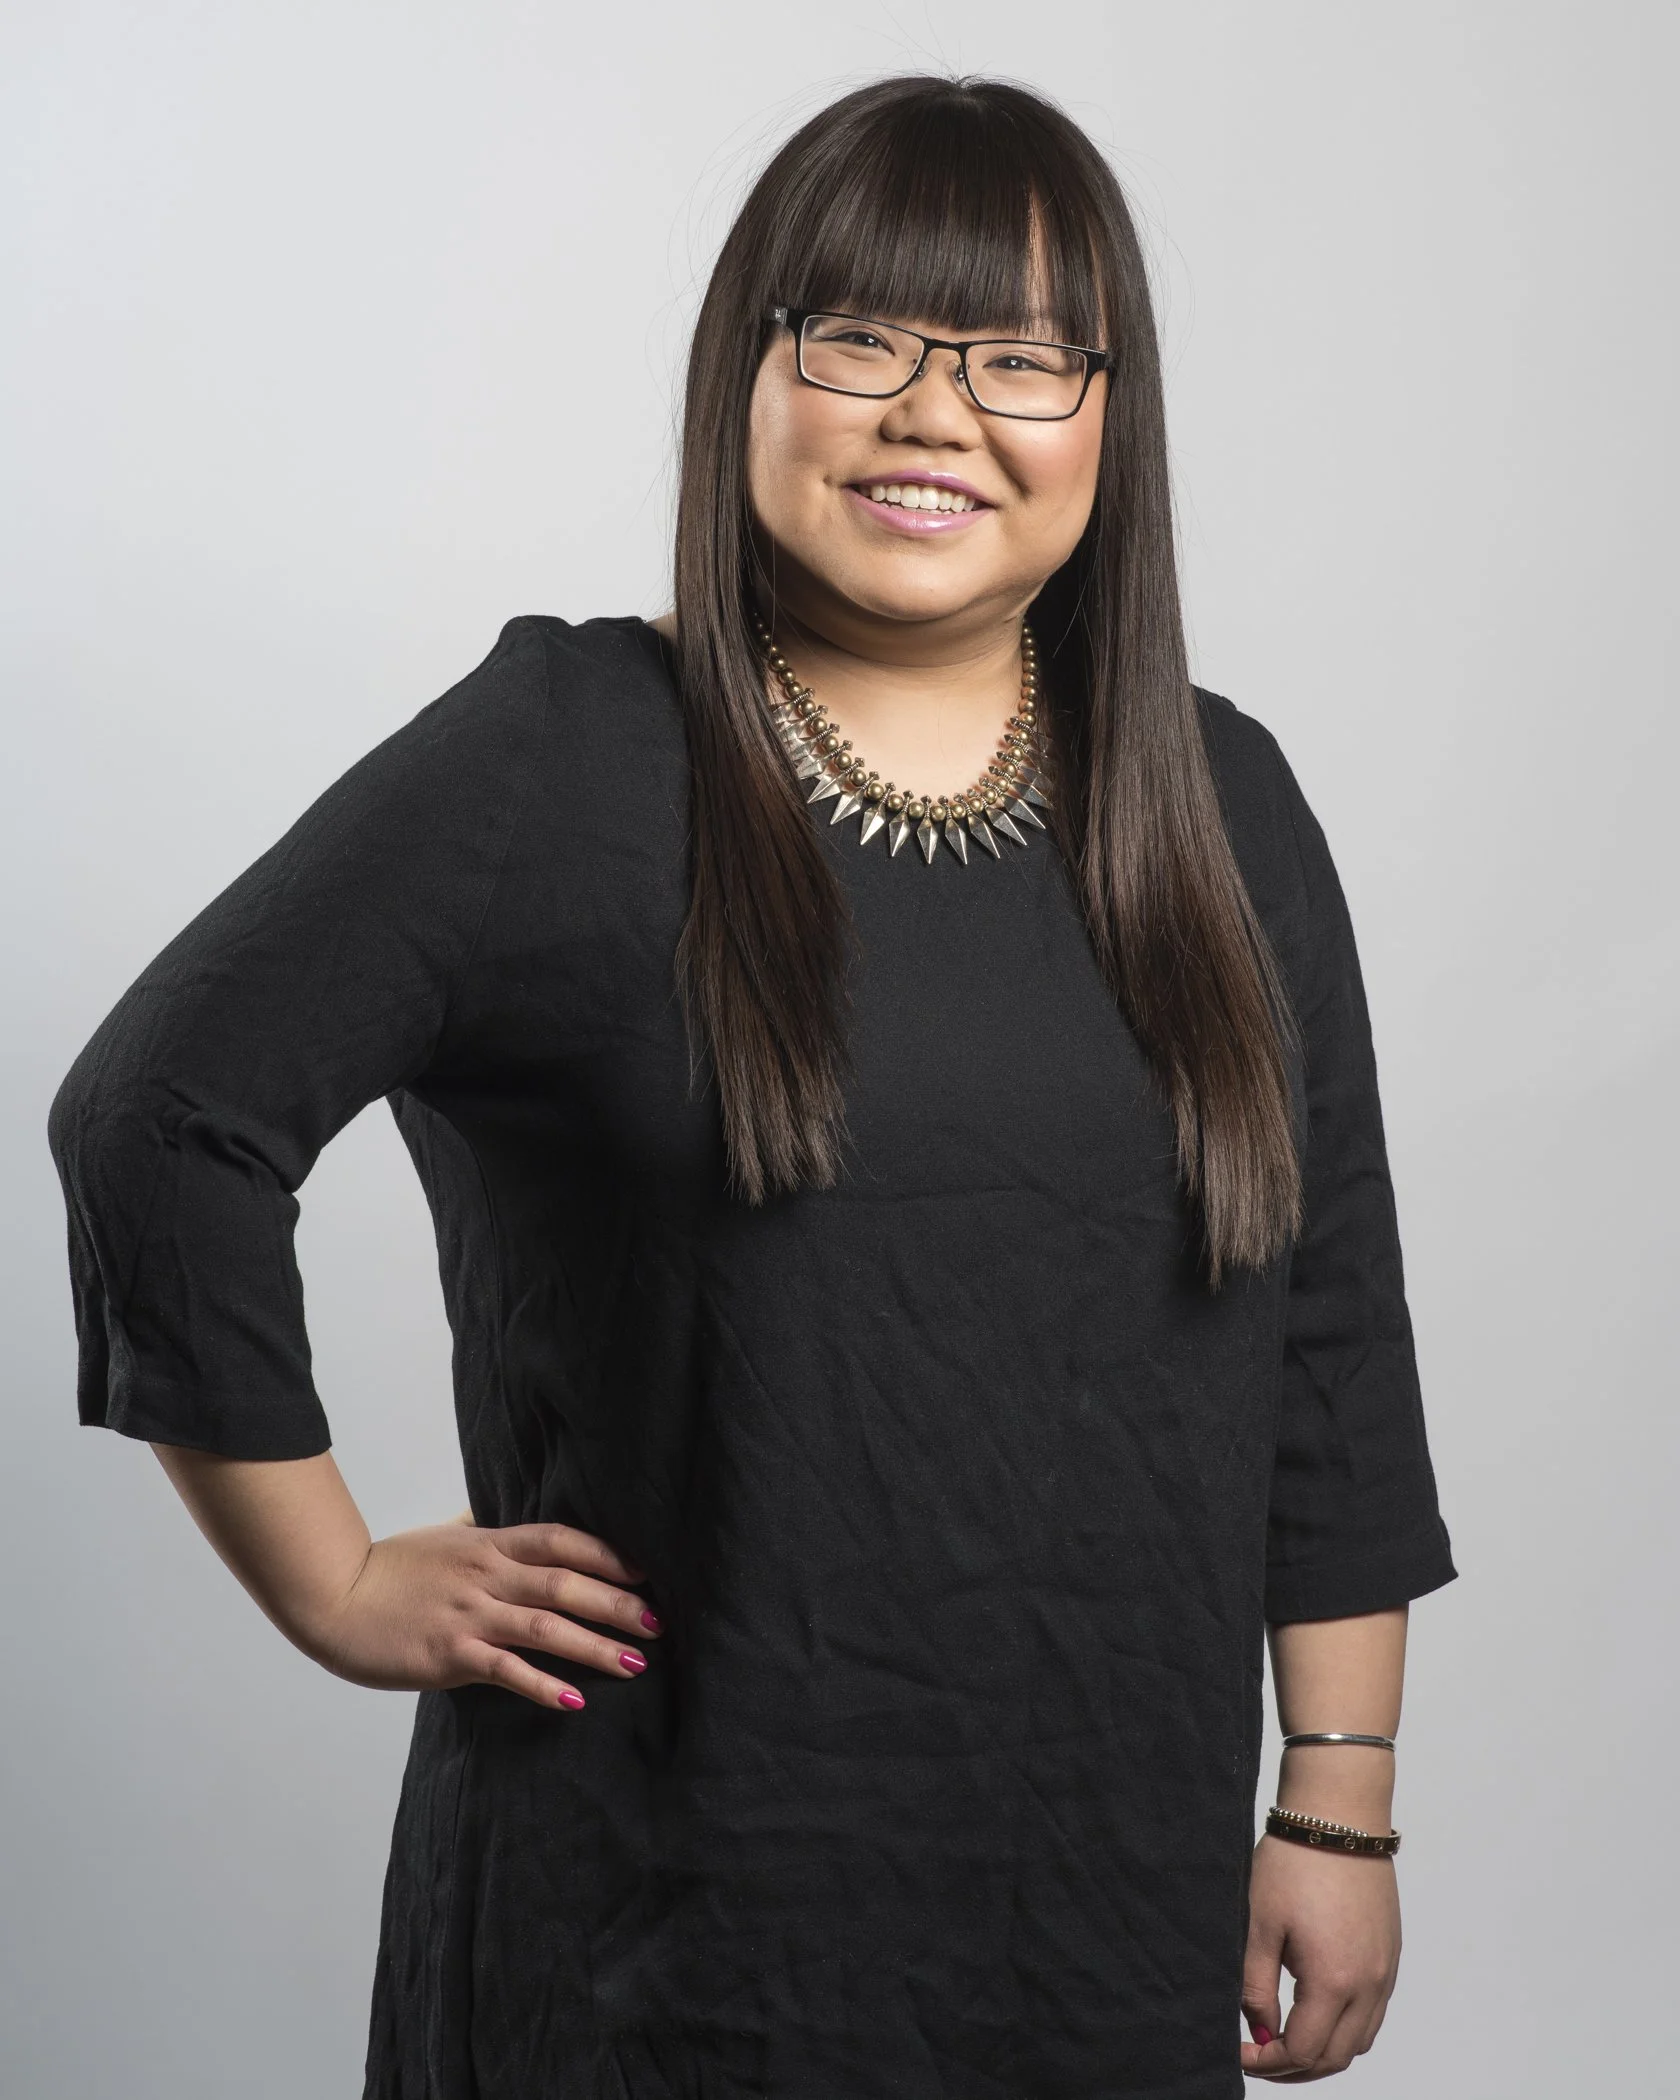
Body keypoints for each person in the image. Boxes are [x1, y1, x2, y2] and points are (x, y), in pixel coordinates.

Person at [47, 72, 1456, 2100]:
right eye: (859, 334)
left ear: (1109, 419)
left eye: (1023, 358)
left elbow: (1329, 1334)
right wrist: (335, 1580)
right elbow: (161, 1120)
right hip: (654, 1941)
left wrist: (1338, 1801)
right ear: (751, 374)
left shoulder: (1222, 805)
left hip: (1101, 1916)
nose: (934, 411)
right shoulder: (559, 758)